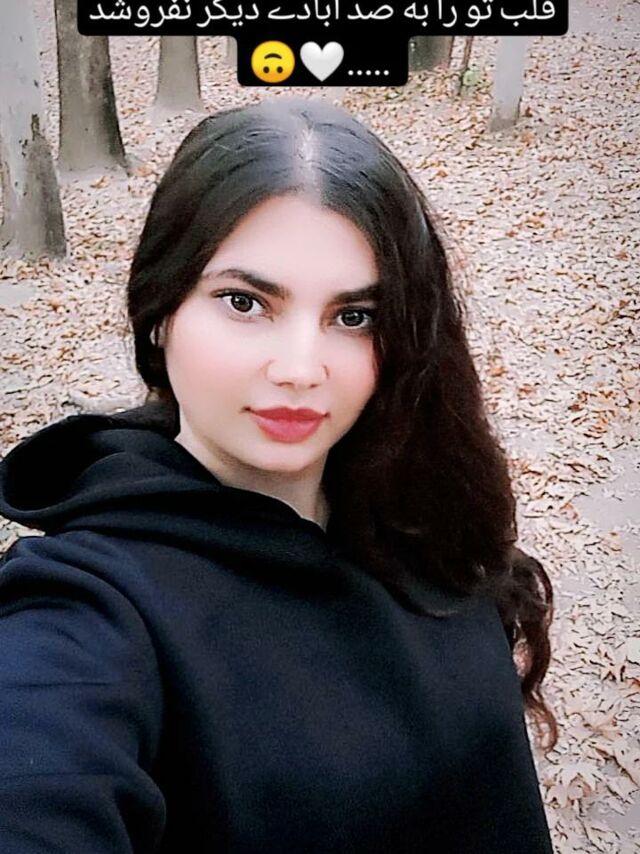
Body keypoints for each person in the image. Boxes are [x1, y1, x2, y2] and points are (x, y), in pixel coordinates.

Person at [0, 96, 558, 853]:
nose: (300, 369)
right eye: (245, 302)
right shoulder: (88, 609)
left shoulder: (418, 507)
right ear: (160, 311)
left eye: (353, 316)